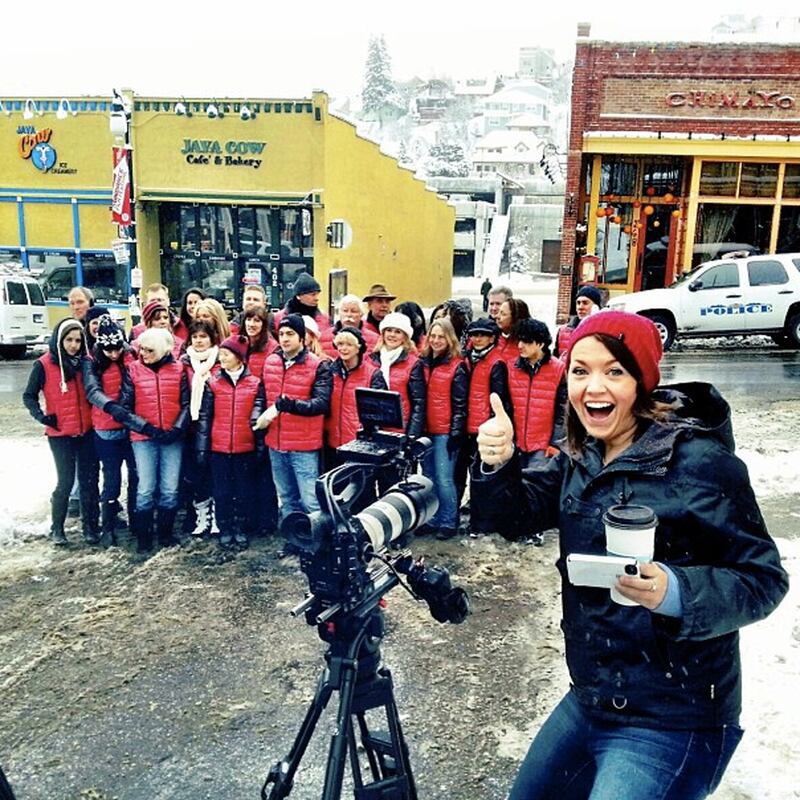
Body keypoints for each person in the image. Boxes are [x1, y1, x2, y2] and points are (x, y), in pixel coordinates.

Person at [473, 311, 789, 800]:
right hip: (592, 696)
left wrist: (675, 591)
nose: (593, 386)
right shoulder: (582, 453)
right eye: (580, 371)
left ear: (642, 382)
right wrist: (499, 464)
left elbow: (763, 578)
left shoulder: (701, 463)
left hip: (675, 716)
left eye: (614, 371)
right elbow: (516, 516)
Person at [22, 319, 100, 546]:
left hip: (87, 431)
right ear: (59, 339)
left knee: (88, 481)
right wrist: (41, 416)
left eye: (78, 340)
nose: (74, 345)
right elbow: (29, 395)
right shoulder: (44, 364)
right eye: (69, 340)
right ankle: (57, 528)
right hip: (60, 434)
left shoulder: (86, 363)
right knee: (65, 481)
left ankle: (90, 527)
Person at [254, 314, 332, 521]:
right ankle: (293, 534)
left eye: (290, 334)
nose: (285, 338)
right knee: (286, 496)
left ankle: (317, 536)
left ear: (302, 338)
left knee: (309, 499)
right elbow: (262, 394)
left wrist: (288, 405)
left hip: (303, 445)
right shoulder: (271, 361)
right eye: (281, 334)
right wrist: (257, 416)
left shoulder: (318, 365)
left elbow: (321, 403)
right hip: (276, 442)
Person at [120, 328, 190, 552]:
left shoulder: (178, 369)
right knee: (146, 487)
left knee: (170, 487)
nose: (143, 354)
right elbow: (125, 408)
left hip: (172, 436)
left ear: (161, 350)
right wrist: (147, 428)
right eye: (142, 349)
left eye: (149, 350)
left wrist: (177, 429)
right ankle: (144, 536)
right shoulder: (133, 370)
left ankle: (166, 533)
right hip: (143, 436)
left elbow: (186, 403)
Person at [196, 335, 265, 550]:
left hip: (245, 447)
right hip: (219, 447)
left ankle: (241, 527)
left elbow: (258, 414)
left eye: (226, 354)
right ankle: (225, 527)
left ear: (239, 357)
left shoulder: (255, 383)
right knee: (222, 491)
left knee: (244, 491)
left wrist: (259, 446)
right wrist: (202, 447)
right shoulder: (213, 383)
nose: (222, 358)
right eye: (221, 355)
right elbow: (205, 417)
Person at [506, 318, 566, 544]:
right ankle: (520, 527)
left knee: (537, 487)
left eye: (526, 341)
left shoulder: (558, 369)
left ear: (541, 344)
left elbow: (563, 411)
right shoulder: (512, 367)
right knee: (516, 485)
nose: (520, 346)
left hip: (542, 440)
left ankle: (537, 530)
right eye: (519, 341)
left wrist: (556, 442)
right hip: (517, 440)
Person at [82, 315, 138, 547]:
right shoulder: (92, 361)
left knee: (136, 477)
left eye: (117, 349)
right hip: (106, 429)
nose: (114, 354)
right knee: (112, 479)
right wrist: (112, 407)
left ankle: (137, 523)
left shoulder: (131, 354)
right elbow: (92, 390)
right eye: (109, 351)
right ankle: (108, 526)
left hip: (130, 428)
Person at [460, 317, 510, 532]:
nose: (477, 338)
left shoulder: (496, 363)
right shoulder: (467, 359)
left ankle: (481, 523)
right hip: (466, 425)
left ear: (492, 338)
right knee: (467, 474)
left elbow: (499, 398)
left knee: (482, 477)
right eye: (474, 334)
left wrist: (492, 424)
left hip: (484, 427)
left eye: (482, 335)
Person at [419, 318, 467, 540]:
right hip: (425, 429)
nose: (436, 340)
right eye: (433, 336)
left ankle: (448, 519)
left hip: (444, 430)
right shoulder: (423, 362)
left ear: (450, 339)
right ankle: (433, 517)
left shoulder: (457, 366)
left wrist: (455, 432)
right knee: (428, 476)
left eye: (441, 337)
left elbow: (460, 404)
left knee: (444, 478)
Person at [324, 326, 386, 470]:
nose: (343, 349)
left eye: (349, 344)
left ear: (358, 348)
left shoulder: (373, 374)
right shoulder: (329, 371)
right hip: (332, 443)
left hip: (359, 445)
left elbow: (379, 412)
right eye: (340, 344)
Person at [181, 319, 221, 537]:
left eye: (203, 336)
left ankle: (216, 515)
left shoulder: (219, 361)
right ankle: (201, 515)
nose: (198, 341)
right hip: (192, 426)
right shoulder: (184, 362)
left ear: (211, 339)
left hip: (215, 424)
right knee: (196, 472)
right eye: (195, 337)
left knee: (214, 471)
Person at [369, 312, 426, 439]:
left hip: (400, 429)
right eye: (389, 330)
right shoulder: (371, 359)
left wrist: (411, 436)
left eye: (398, 332)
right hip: (374, 426)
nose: (392, 335)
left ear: (405, 337)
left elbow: (419, 403)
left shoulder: (413, 363)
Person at [273, 272, 333, 353]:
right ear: (298, 296)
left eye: (317, 294)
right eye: (313, 295)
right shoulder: (279, 318)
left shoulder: (324, 318)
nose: (317, 298)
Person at [554, 284, 604, 359]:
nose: (580, 307)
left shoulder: (604, 332)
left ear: (596, 307)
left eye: (585, 303)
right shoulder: (563, 331)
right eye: (578, 303)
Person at [496, 297, 531, 362]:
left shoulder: (527, 346)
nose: (497, 316)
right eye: (498, 312)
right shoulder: (494, 338)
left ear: (515, 318)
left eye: (503, 314)